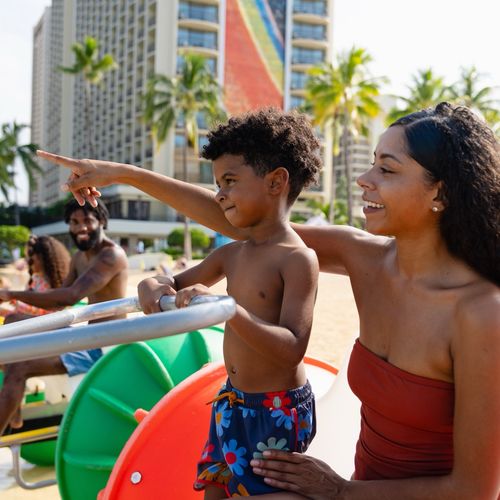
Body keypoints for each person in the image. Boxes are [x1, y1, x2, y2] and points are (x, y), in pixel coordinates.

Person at [38, 102, 500, 498]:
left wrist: (340, 491)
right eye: (371, 163)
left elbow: (474, 490)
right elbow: (243, 223)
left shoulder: (480, 313)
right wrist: (123, 175)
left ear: (439, 191)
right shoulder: (367, 257)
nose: (364, 178)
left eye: (386, 169)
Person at [138, 108, 321, 497]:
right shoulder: (232, 254)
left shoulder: (297, 259)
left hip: (275, 410)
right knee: (215, 491)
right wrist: (152, 285)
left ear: (276, 182)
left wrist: (229, 308)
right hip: (232, 401)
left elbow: (292, 348)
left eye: (230, 181)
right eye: (217, 183)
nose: (219, 194)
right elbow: (172, 281)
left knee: (266, 493)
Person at [0, 198, 128, 436]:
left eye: (88, 221)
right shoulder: (80, 257)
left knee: (18, 367)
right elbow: (59, 298)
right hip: (86, 335)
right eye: (74, 222)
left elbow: (69, 296)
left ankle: (11, 406)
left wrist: (10, 293)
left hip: (106, 346)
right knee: (12, 323)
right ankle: (13, 410)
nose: (81, 228)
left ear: (101, 221)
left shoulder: (112, 255)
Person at [0, 235, 70, 320]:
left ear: (42, 258)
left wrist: (15, 299)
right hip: (34, 320)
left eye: (29, 257)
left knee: (11, 318)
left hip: (46, 322)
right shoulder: (35, 278)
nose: (26, 260)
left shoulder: (50, 283)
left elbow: (45, 310)